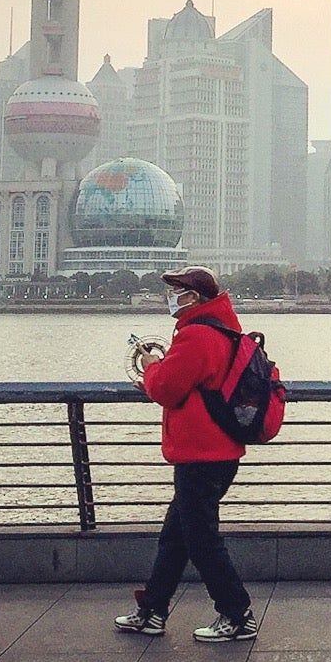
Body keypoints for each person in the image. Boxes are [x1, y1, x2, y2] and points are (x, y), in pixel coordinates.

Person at [114, 265, 259, 641]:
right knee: (176, 537)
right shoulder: (224, 330)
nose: (170, 297)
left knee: (201, 540)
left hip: (202, 454)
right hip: (218, 450)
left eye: (176, 290)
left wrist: (150, 367)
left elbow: (165, 388)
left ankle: (237, 614)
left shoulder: (196, 335)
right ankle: (152, 611)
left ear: (193, 297)